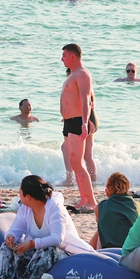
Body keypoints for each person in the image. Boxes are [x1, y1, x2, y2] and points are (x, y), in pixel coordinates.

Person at [0, 176, 93, 279]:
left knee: (47, 249)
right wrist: (10, 237)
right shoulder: (25, 208)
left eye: (20, 192)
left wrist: (32, 244)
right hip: (36, 254)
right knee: (5, 247)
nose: (19, 194)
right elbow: (15, 230)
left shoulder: (55, 208)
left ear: (28, 197)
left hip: (62, 252)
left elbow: (57, 239)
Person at [59, 44, 96, 211]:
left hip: (77, 121)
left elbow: (85, 100)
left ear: (72, 56)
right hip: (69, 121)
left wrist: (84, 122)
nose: (62, 59)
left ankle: (91, 201)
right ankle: (83, 199)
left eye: (64, 56)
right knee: (74, 164)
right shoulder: (73, 74)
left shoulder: (82, 74)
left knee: (78, 164)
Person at [91, 172, 140, 249]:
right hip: (132, 250)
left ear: (107, 191)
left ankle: (89, 251)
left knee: (100, 230)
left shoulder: (100, 207)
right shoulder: (137, 205)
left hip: (107, 250)